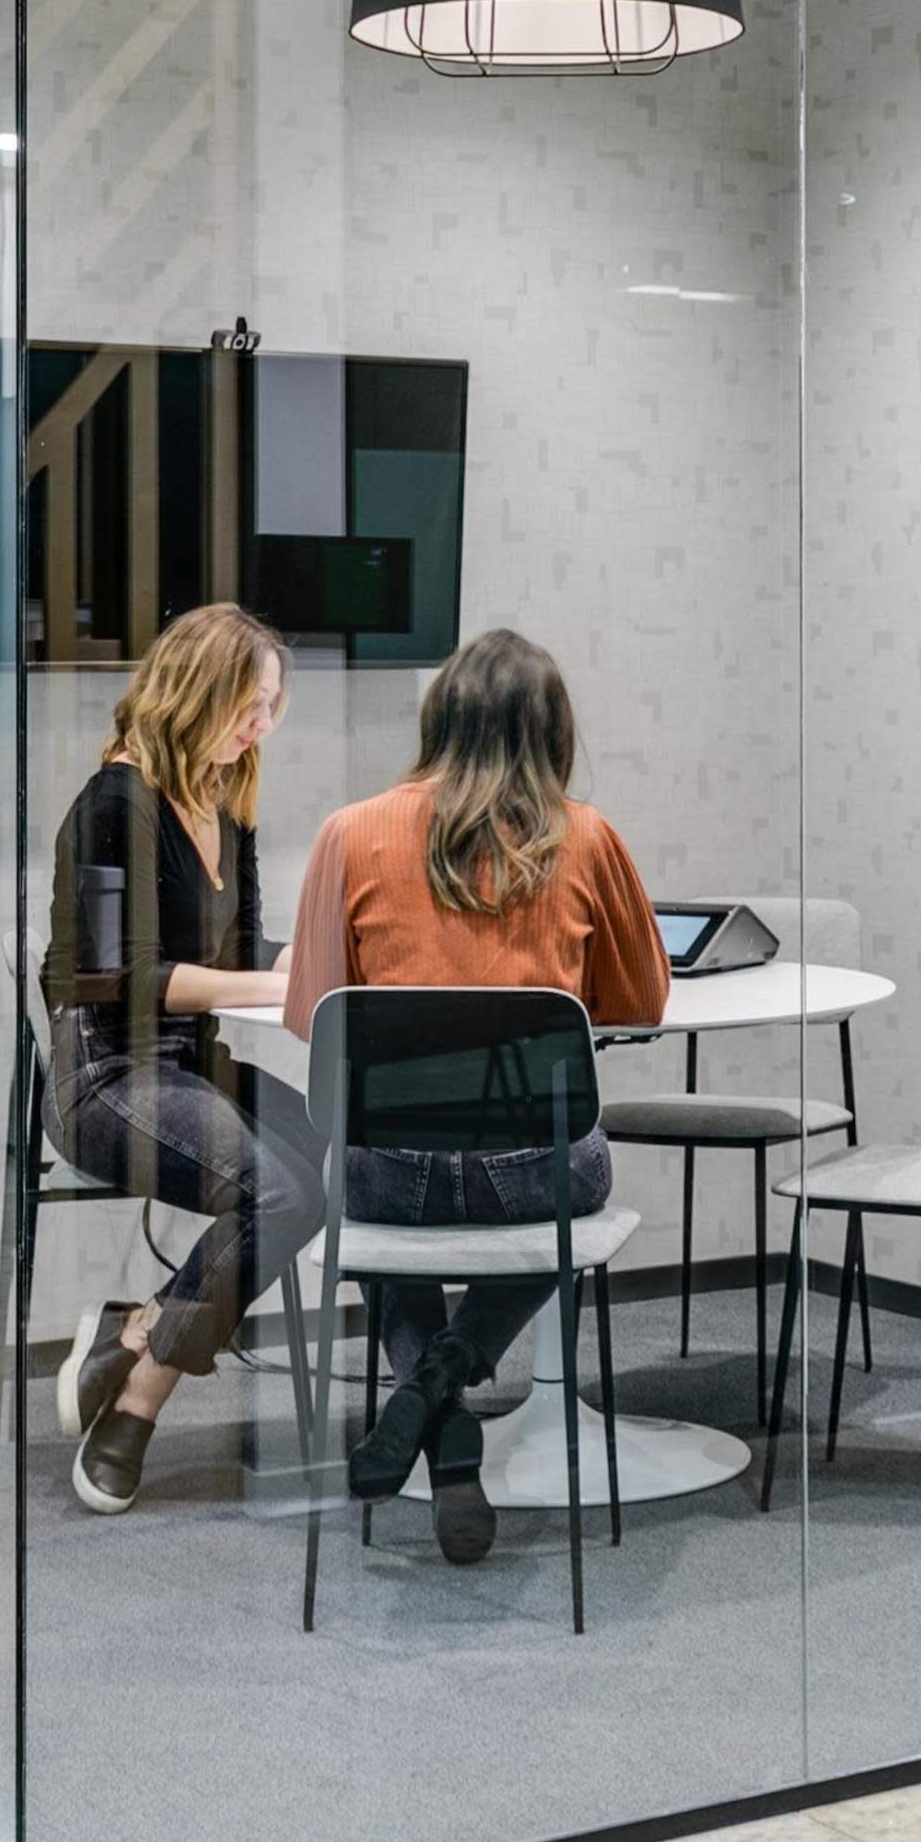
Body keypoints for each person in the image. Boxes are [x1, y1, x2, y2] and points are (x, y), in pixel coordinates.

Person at [281, 628, 668, 1567]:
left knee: (365, 1168)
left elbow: (312, 1018)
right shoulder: (587, 836)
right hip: (532, 1175)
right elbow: (641, 1002)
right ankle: (447, 1386)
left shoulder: (349, 833)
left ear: (438, 717)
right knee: (577, 1188)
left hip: (389, 1177)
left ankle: (431, 1409)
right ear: (553, 731)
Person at [40, 603, 312, 1517]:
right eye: (248, 704)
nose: (259, 726)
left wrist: (316, 963)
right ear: (195, 693)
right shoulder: (113, 804)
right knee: (278, 1191)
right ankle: (143, 1398)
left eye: (271, 707)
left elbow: (244, 948)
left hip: (189, 1066)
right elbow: (103, 977)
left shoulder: (224, 803)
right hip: (110, 1077)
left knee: (332, 1165)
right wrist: (262, 989)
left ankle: (139, 1331)